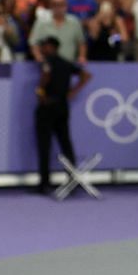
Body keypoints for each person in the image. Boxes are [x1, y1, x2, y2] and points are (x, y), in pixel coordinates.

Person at [32, 35, 90, 195]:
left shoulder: (47, 63)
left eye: (45, 46)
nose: (43, 49)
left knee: (45, 145)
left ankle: (44, 183)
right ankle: (72, 179)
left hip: (47, 107)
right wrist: (73, 91)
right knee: (65, 143)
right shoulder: (66, 63)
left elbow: (46, 75)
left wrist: (40, 91)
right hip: (62, 106)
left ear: (52, 47)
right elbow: (86, 75)